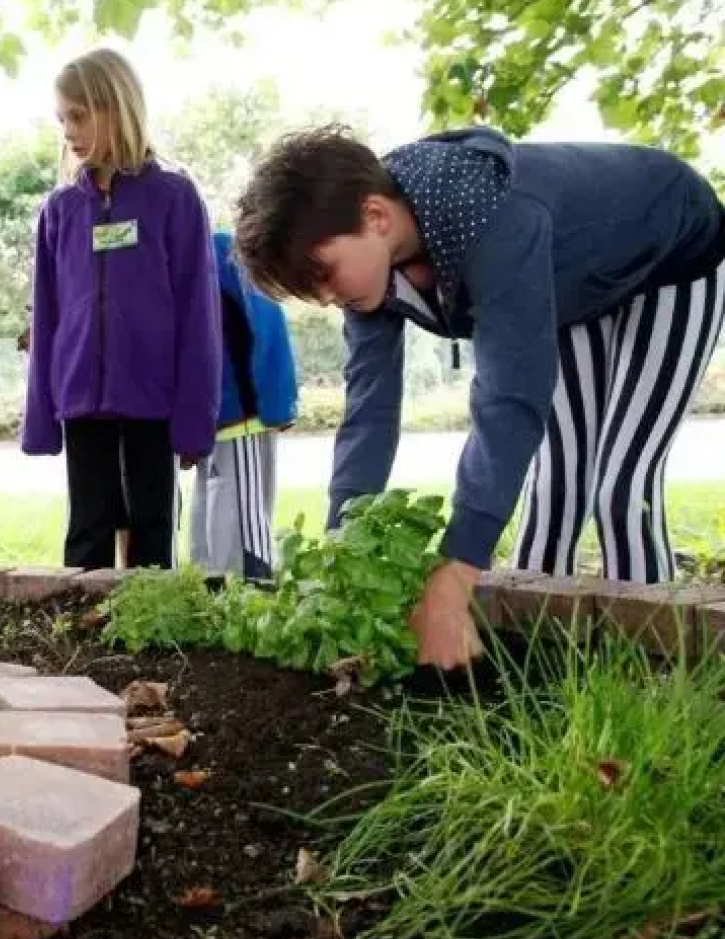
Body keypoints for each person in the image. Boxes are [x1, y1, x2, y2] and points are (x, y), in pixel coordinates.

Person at [233, 124, 725, 669]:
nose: (327, 298)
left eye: (323, 274)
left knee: (621, 486)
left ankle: (652, 681)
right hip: (573, 289)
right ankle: (538, 678)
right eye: (311, 290)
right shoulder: (370, 271)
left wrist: (458, 569)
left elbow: (508, 398)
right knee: (555, 485)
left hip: (672, 254)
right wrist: (340, 546)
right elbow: (369, 412)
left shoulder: (492, 215)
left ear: (376, 216)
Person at [22, 47, 222, 570]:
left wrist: (194, 422)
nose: (69, 131)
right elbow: (46, 321)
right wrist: (41, 420)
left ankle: (150, 645)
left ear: (119, 107)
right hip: (82, 405)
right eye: (63, 119)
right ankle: (80, 646)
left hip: (152, 402)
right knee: (87, 533)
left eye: (80, 115)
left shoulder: (175, 199)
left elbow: (199, 318)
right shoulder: (59, 212)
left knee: (152, 533)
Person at [188, 232, 298, 580]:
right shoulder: (179, 260)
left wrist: (277, 405)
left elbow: (266, 324)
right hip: (208, 424)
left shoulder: (221, 254)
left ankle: (256, 605)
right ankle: (214, 611)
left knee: (243, 540)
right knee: (209, 539)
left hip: (241, 419)